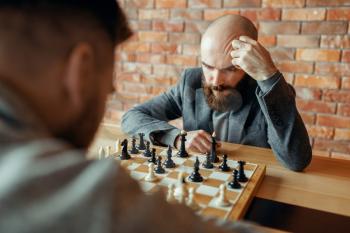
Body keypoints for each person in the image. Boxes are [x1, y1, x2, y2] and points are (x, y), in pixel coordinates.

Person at [0, 1, 260, 233]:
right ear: (82, 72)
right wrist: (178, 138)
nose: (215, 79)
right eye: (109, 87)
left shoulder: (260, 91)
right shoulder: (86, 193)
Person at [122, 15, 312, 172]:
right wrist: (177, 137)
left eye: (229, 69)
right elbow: (131, 117)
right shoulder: (191, 81)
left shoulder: (271, 93)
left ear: (245, 63)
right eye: (208, 66)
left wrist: (269, 75)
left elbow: (296, 161)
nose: (215, 80)